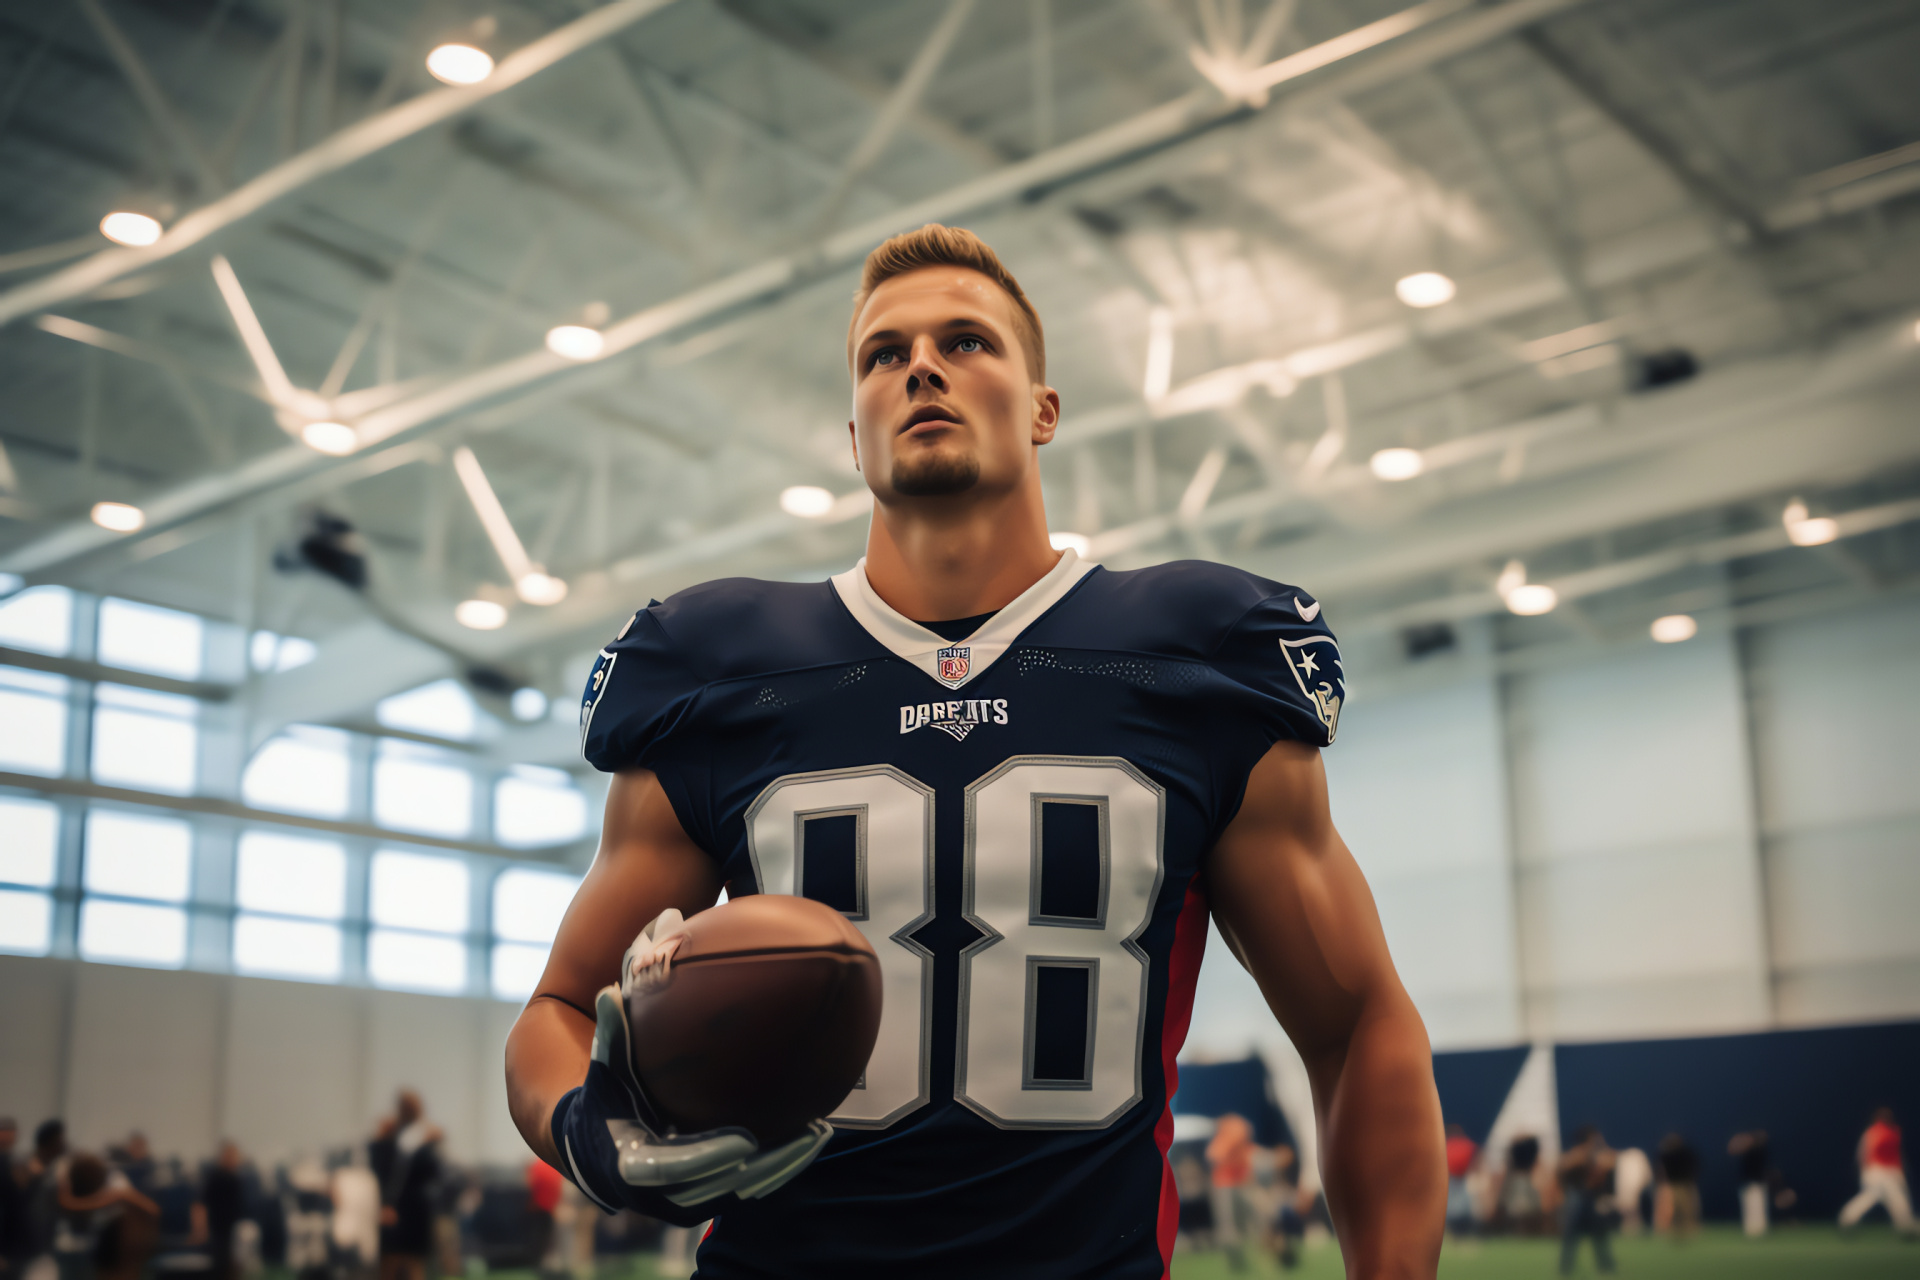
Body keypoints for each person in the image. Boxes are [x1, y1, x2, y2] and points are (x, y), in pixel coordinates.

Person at [504, 223, 1447, 1278]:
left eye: (966, 342)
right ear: (853, 437)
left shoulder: (1196, 660)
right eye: (883, 353)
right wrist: (588, 1130)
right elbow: (560, 1008)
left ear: (1043, 408)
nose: (920, 367)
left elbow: (1357, 1023)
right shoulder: (718, 671)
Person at [368, 1094, 441, 1280]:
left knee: (407, 1263)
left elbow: (430, 1172)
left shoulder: (416, 1138)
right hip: (399, 1209)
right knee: (395, 1263)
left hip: (411, 1210)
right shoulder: (393, 1140)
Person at [1839, 1107, 1915, 1236]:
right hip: (1878, 1172)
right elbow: (1864, 1153)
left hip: (1887, 1172)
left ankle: (1847, 1219)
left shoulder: (1892, 1132)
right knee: (1896, 1199)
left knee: (1876, 1198)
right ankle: (1906, 1227)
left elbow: (1897, 1155)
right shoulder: (1875, 1132)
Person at [1206, 1114, 1265, 1272]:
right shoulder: (1224, 1142)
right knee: (1228, 1228)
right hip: (1224, 1185)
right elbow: (1215, 1158)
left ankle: (1248, 1260)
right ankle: (1237, 1263)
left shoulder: (1243, 1144)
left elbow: (1250, 1164)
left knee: (1248, 1224)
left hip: (1240, 1184)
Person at [1555, 1126, 1616, 1276]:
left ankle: (1605, 1265)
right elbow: (1562, 1168)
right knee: (1572, 1234)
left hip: (1592, 1197)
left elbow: (1610, 1162)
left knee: (1599, 1234)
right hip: (1577, 1197)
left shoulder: (1597, 1154)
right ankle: (1566, 1267)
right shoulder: (1577, 1154)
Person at [1655, 1133, 1699, 1242]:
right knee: (1673, 1208)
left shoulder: (1684, 1154)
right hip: (1674, 1184)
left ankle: (1687, 1228)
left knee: (1685, 1208)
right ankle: (1673, 1229)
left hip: (1683, 1184)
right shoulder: (1666, 1155)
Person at [1728, 1129, 1770, 1238]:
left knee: (1756, 1207)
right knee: (1751, 1207)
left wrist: (1742, 1141)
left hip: (1755, 1183)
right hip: (1750, 1183)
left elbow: (1734, 1149)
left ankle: (1757, 1229)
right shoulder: (1750, 1152)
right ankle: (1753, 1229)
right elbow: (1732, 1149)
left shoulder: (1757, 1151)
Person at [1442, 1124, 1478, 1237]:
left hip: (1453, 1179)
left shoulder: (1447, 1145)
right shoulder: (1467, 1145)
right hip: (1462, 1178)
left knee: (1451, 1208)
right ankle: (1462, 1233)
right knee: (1463, 1207)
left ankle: (1453, 1234)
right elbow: (1476, 1160)